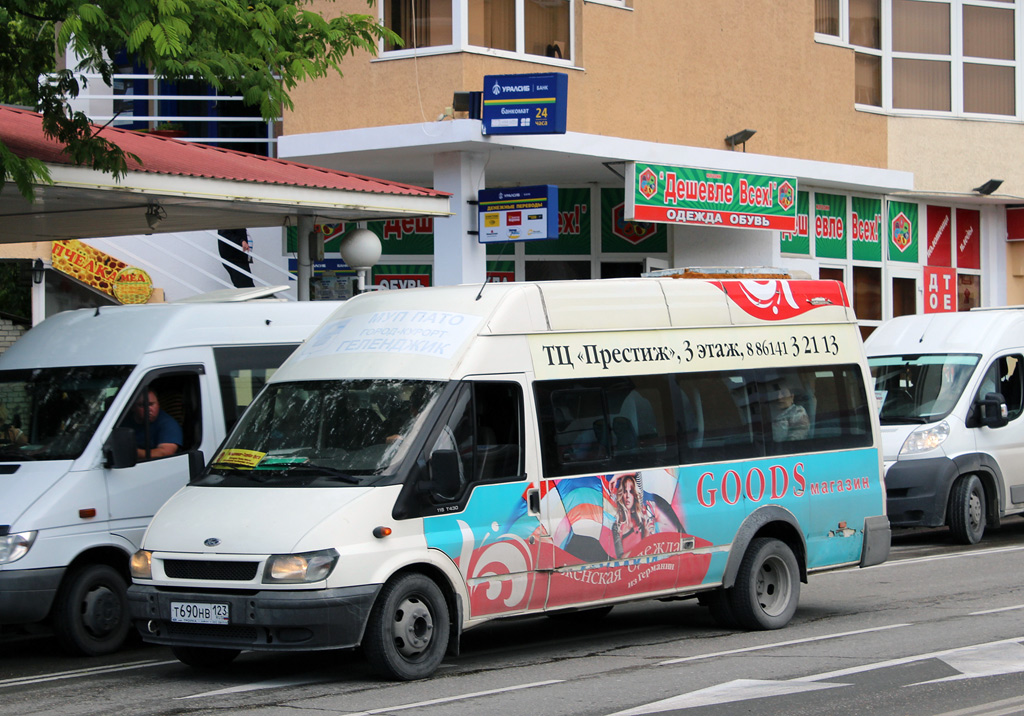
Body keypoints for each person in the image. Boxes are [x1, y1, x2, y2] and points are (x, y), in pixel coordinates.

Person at [129, 390, 182, 460]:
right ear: (133, 407)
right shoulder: (123, 420)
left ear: (158, 405)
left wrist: (129, 452)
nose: (148, 409)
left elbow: (165, 452)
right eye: (142, 405)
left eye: (151, 404)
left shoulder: (169, 424)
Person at [611, 473, 654, 558]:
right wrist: (644, 541)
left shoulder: (640, 519)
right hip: (628, 568)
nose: (627, 496)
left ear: (634, 495)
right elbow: (621, 558)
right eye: (624, 491)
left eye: (631, 492)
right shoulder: (617, 527)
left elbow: (638, 473)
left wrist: (616, 476)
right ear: (621, 494)